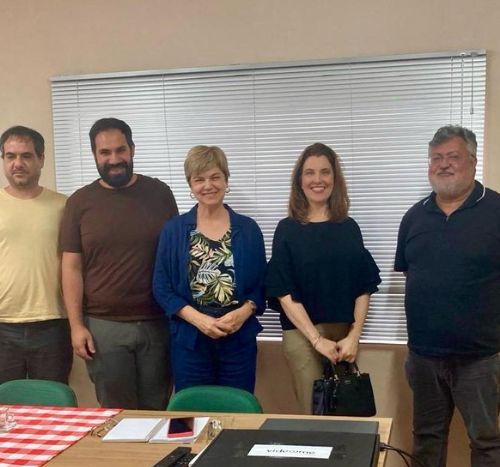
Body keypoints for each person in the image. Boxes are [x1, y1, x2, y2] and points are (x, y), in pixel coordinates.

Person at [395, 125, 500, 467]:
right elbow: (411, 274)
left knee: (486, 441)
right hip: (424, 356)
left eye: (452, 156)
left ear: (472, 161)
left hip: (481, 358)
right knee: (427, 438)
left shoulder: (496, 210)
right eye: (436, 158)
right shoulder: (414, 217)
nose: (443, 164)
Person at [60, 117, 178, 409]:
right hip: (103, 327)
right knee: (116, 413)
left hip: (157, 323)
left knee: (158, 408)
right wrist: (76, 326)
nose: (114, 159)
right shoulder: (79, 202)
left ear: (132, 149)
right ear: (94, 155)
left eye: (120, 150)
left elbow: (176, 254)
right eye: (105, 152)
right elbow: (71, 268)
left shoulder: (160, 194)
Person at [266, 143, 380, 415]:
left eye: (325, 172)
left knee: (347, 414)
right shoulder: (287, 230)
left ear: (335, 178)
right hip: (302, 335)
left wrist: (354, 336)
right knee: (315, 415)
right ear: (300, 180)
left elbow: (363, 287)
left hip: (343, 337)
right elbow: (284, 292)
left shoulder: (349, 228)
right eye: (310, 173)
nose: (318, 179)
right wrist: (316, 340)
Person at [153, 145, 266, 393]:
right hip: (190, 341)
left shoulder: (248, 229)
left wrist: (242, 314)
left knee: (237, 408)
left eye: (215, 177)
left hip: (238, 339)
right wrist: (199, 320)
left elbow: (262, 284)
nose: (208, 185)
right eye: (199, 179)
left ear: (226, 180)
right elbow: (161, 287)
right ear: (190, 185)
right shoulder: (174, 230)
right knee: (192, 409)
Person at [0, 126, 72, 384]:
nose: (17, 163)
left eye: (26, 156)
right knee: (5, 403)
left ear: (41, 159)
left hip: (52, 324)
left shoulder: (64, 206)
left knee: (53, 400)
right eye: (10, 156)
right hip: (3, 324)